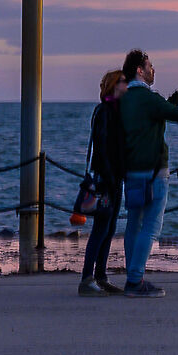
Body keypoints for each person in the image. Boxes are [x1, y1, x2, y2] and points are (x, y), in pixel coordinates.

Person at [114, 48, 178, 297]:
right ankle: (135, 280)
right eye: (149, 66)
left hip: (132, 172)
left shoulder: (125, 98)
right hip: (153, 173)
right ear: (139, 70)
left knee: (134, 225)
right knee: (151, 227)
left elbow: (160, 111)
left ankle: (132, 276)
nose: (153, 70)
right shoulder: (147, 97)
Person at [77, 69, 129, 296]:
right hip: (106, 180)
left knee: (109, 228)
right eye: (123, 81)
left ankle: (100, 276)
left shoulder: (117, 111)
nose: (127, 85)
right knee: (101, 228)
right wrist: (108, 176)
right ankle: (87, 278)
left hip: (115, 178)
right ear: (114, 85)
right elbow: (101, 147)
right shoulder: (104, 111)